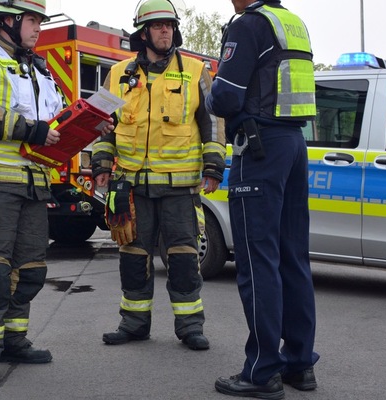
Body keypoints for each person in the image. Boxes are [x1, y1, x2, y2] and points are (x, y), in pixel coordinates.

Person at [0, 0, 111, 385]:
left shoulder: (40, 69)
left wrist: (90, 125)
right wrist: (32, 130)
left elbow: (57, 122)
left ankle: (13, 341)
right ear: (8, 20)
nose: (38, 28)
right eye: (32, 20)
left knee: (31, 270)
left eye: (40, 20)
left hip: (35, 183)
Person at [90, 0, 225, 351]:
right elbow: (102, 125)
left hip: (180, 187)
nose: (165, 30)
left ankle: (190, 326)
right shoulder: (118, 74)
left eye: (169, 25)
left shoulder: (195, 71)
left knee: (183, 257)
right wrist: (101, 165)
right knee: (133, 256)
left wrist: (213, 165)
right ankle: (133, 323)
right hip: (132, 186)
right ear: (144, 32)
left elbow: (212, 123)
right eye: (158, 25)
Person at [206, 1, 319, 398]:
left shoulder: (249, 25)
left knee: (258, 262)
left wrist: (209, 92)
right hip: (293, 144)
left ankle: (262, 371)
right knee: (293, 258)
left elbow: (226, 97)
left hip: (259, 147)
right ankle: (299, 364)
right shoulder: (292, 23)